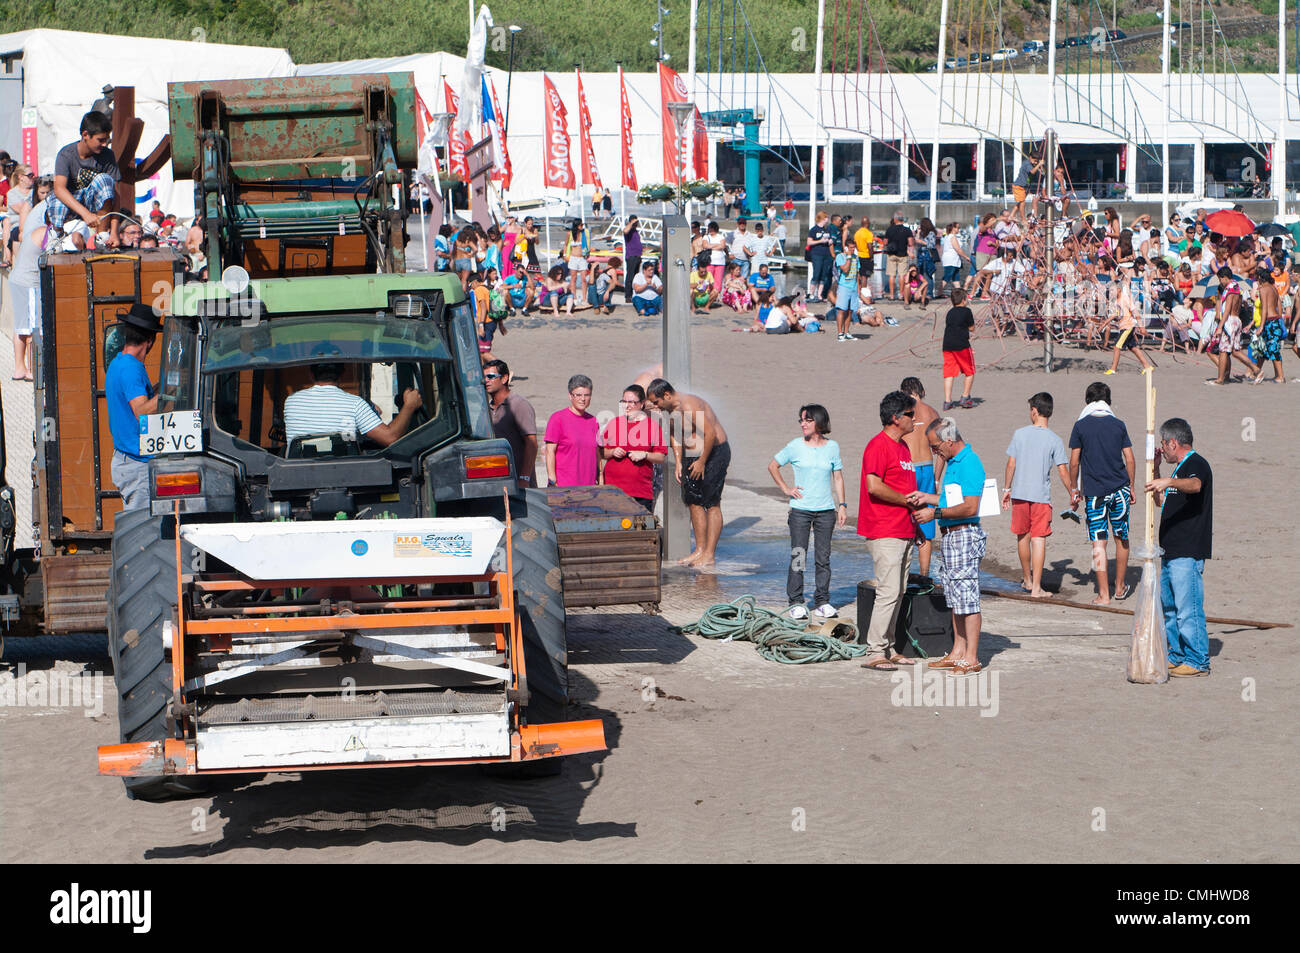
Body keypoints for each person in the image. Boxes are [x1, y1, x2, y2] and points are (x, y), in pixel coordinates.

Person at [908, 417, 989, 677]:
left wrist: (936, 513)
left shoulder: (970, 463)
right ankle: (958, 651)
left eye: (935, 446)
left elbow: (970, 506)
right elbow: (950, 499)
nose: (934, 452)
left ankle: (972, 657)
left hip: (965, 535)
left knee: (968, 598)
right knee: (955, 598)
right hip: (952, 536)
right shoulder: (954, 462)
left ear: (949, 440)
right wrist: (928, 498)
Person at [856, 390, 921, 672]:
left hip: (904, 529)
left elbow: (905, 488)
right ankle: (875, 651)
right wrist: (906, 500)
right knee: (889, 590)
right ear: (895, 418)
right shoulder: (878, 445)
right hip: (884, 530)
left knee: (900, 591)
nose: (914, 420)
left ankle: (889, 647)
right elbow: (874, 486)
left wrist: (915, 523)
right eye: (910, 415)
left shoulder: (903, 448)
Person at [1146, 417, 1214, 677]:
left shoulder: (1196, 464)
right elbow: (1161, 500)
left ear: (1173, 442)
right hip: (1170, 551)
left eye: (1164, 444)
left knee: (1188, 609)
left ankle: (1198, 660)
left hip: (1188, 550)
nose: (1162, 448)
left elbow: (1195, 485)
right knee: (1171, 609)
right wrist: (1156, 472)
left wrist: (1169, 481)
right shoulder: (1176, 470)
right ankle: (1177, 654)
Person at [768, 404, 847, 620]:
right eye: (801, 420)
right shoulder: (795, 446)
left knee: (823, 558)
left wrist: (842, 505)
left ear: (819, 422)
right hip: (800, 511)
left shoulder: (833, 447)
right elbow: (773, 466)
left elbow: (837, 477)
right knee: (799, 555)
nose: (803, 424)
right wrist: (786, 489)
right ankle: (796, 601)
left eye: (808, 420)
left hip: (826, 511)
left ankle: (822, 601)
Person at [646, 379, 730, 567]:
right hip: (693, 455)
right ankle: (699, 549)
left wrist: (701, 462)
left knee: (712, 503)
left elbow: (710, 434)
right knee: (693, 501)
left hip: (715, 452)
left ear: (667, 395)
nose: (655, 406)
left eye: (656, 401)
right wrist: (678, 462)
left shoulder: (690, 405)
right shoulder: (670, 410)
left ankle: (709, 554)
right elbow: (675, 433)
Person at [1002, 392, 1077, 598]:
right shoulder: (1054, 439)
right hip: (1040, 496)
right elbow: (1062, 470)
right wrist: (1073, 492)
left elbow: (1011, 464)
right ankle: (1036, 587)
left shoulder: (1019, 434)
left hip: (1019, 493)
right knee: (1039, 539)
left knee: (1022, 536)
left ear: (1034, 411)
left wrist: (1006, 489)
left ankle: (1027, 579)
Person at [1068, 381, 1136, 605]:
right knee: (1122, 537)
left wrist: (1074, 489)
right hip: (1120, 489)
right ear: (1108, 401)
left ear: (1088, 400)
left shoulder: (1081, 426)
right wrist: (1132, 487)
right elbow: (1130, 459)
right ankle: (1119, 586)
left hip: (1095, 493)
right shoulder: (1119, 424)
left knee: (1098, 542)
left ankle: (1103, 594)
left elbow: (1074, 461)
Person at [104, 304, 163, 510]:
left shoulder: (118, 363)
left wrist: (159, 388)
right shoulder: (131, 369)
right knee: (144, 533)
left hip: (128, 460)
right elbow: (141, 411)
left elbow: (138, 400)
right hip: (138, 466)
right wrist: (170, 393)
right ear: (149, 341)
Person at [284, 363, 422, 447]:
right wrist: (409, 406)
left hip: (299, 474)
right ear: (343, 373)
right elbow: (390, 438)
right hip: (346, 473)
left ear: (311, 374)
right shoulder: (355, 404)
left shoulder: (291, 402)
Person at [47, 110, 121, 248]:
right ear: (85, 135)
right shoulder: (66, 154)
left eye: (106, 140)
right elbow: (59, 189)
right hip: (69, 207)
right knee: (57, 196)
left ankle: (102, 236)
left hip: (93, 205)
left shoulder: (108, 155)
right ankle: (56, 236)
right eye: (101, 140)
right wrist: (85, 214)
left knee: (105, 180)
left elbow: (115, 195)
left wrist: (114, 232)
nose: (104, 144)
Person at [600, 384, 667, 511]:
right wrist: (613, 451)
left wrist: (645, 454)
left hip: (640, 491)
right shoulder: (614, 423)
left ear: (642, 404)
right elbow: (601, 453)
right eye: (624, 401)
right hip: (613, 489)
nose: (626, 405)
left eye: (631, 402)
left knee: (639, 529)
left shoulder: (652, 426)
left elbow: (661, 457)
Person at [899, 377, 939, 579]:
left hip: (909, 468)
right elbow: (941, 451)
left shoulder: (903, 411)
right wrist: (937, 478)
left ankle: (902, 574)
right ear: (921, 391)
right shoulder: (932, 412)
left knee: (906, 518)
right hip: (928, 468)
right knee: (927, 523)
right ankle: (924, 576)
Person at [484, 359, 538, 489]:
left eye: (491, 376)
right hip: (496, 482)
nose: (486, 380)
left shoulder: (519, 405)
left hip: (519, 483)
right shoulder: (485, 409)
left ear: (504, 379)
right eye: (484, 377)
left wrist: (524, 478)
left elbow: (532, 443)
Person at [544, 374, 599, 487]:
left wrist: (600, 478)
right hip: (564, 487)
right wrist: (553, 481)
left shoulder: (593, 421)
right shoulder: (558, 419)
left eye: (587, 395)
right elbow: (550, 452)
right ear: (570, 396)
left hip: (589, 487)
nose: (583, 399)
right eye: (578, 395)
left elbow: (596, 454)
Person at [941, 288, 976, 410]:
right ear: (963, 300)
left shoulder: (950, 312)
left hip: (947, 345)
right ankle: (965, 397)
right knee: (970, 371)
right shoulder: (967, 311)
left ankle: (947, 401)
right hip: (961, 345)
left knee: (949, 373)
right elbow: (971, 328)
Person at [883, 211, 913, 301]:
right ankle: (901, 294)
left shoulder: (889, 229)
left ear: (895, 219)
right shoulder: (907, 230)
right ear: (902, 219)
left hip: (891, 254)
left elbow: (885, 242)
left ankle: (892, 295)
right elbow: (910, 243)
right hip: (902, 254)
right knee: (901, 275)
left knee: (891, 275)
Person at [805, 211, 835, 302]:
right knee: (816, 273)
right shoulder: (814, 230)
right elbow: (809, 242)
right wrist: (820, 241)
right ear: (822, 218)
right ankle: (811, 294)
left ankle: (819, 295)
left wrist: (830, 242)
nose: (827, 219)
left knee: (823, 275)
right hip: (817, 254)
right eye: (826, 217)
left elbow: (829, 240)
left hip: (826, 254)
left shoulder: (827, 230)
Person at [832, 241, 859, 342]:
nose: (852, 250)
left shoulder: (856, 258)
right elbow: (845, 270)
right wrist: (848, 257)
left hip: (853, 287)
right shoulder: (840, 257)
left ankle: (847, 332)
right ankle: (840, 333)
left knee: (850, 310)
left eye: (853, 248)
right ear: (846, 248)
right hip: (844, 286)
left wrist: (858, 289)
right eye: (851, 248)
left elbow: (857, 273)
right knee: (841, 310)